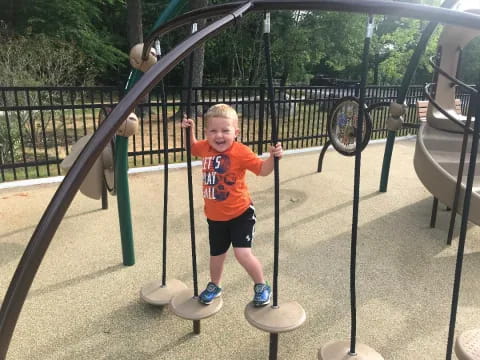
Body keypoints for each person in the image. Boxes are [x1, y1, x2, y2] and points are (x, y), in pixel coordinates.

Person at [181, 103, 283, 307]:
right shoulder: (205, 148)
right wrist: (189, 130)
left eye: (225, 131)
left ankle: (261, 285)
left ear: (236, 132)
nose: (219, 135)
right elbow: (192, 147)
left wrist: (273, 157)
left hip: (241, 214)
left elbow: (262, 170)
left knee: (242, 253)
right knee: (216, 256)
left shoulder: (241, 152)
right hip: (215, 217)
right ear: (206, 133)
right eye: (213, 131)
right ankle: (215, 285)